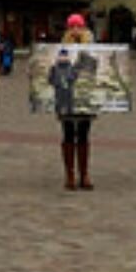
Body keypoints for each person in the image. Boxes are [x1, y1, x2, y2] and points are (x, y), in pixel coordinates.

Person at [53, 14, 97, 191]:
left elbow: (94, 70)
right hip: (66, 96)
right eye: (72, 27)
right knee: (68, 133)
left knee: (84, 133)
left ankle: (84, 173)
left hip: (84, 95)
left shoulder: (92, 50)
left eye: (79, 27)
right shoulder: (61, 50)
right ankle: (70, 173)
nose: (76, 30)